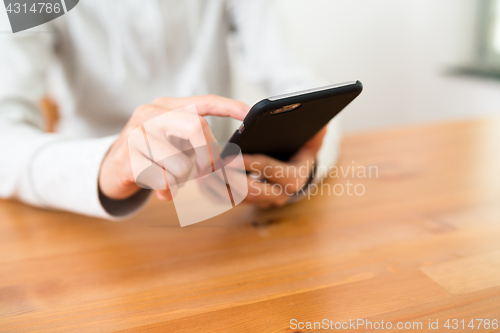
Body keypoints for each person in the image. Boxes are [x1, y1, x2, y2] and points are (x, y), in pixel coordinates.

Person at [0, 0, 340, 219]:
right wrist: (104, 166)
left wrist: (306, 164)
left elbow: (297, 82)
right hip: (86, 212)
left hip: (227, 208)